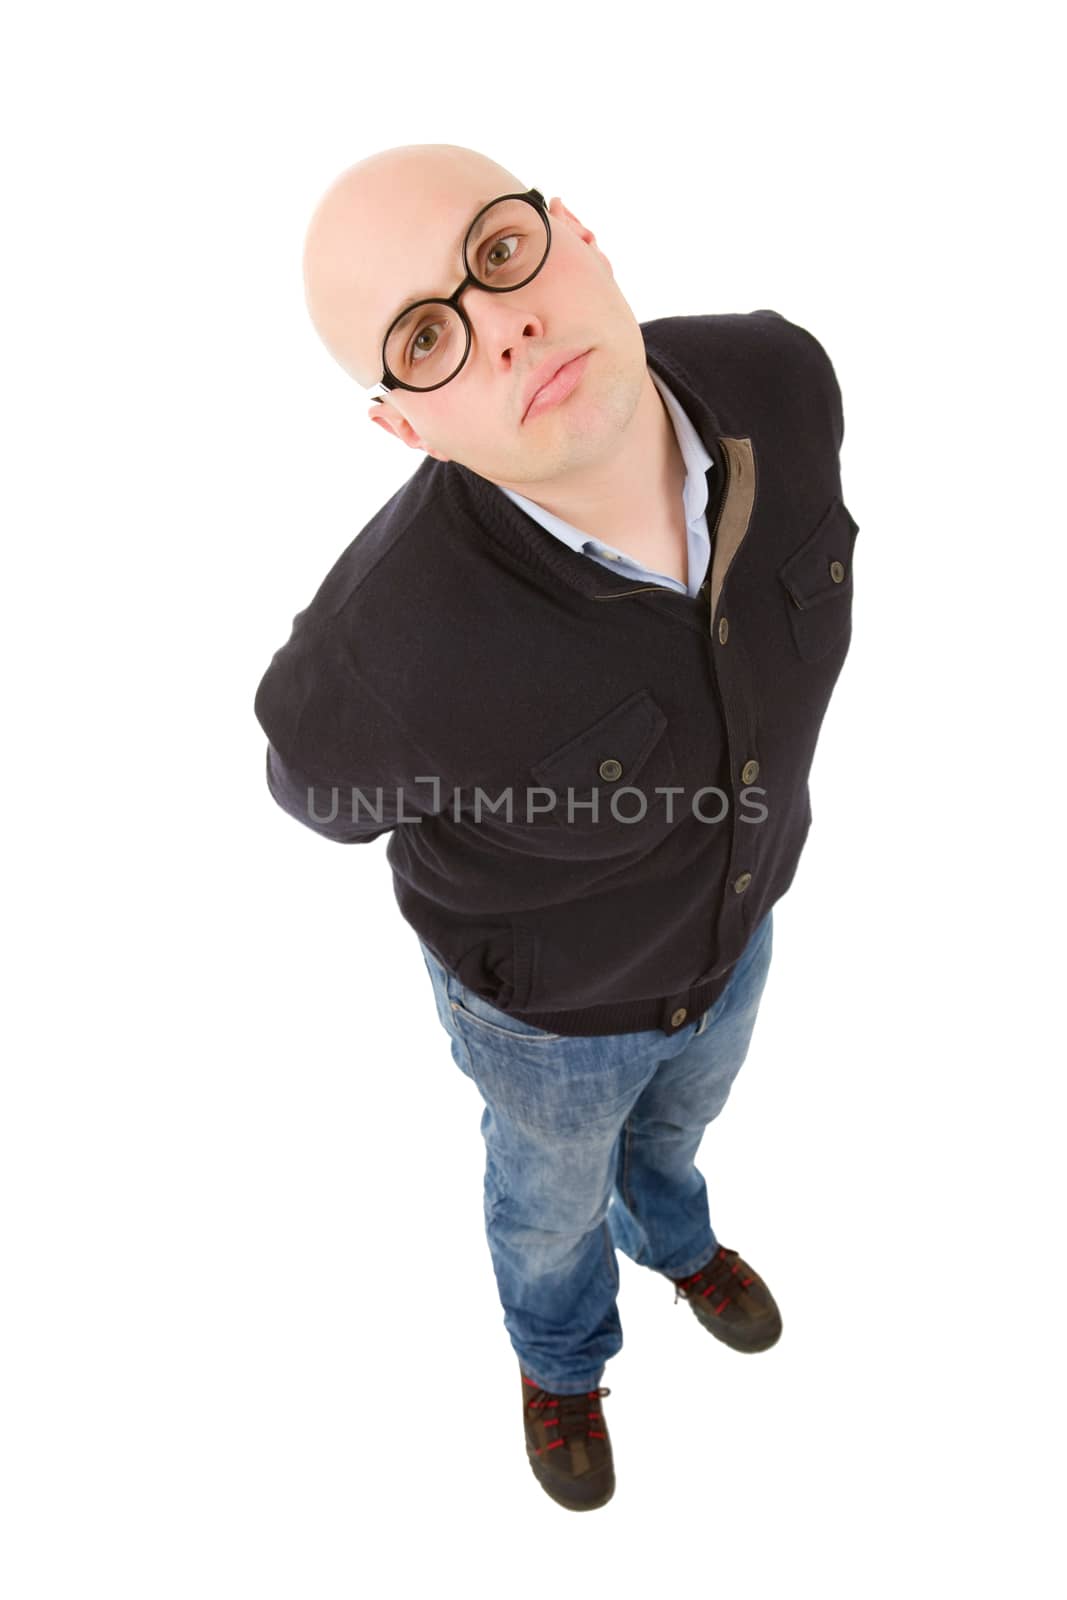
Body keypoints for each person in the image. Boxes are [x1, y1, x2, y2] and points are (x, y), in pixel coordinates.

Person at [254, 142, 859, 1513]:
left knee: (682, 1130)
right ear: (407, 426)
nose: (502, 322)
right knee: (546, 1207)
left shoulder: (784, 382)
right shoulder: (377, 659)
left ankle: (677, 1235)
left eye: (500, 254)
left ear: (573, 232)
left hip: (739, 934)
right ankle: (563, 1357)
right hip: (548, 1023)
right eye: (427, 336)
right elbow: (314, 794)